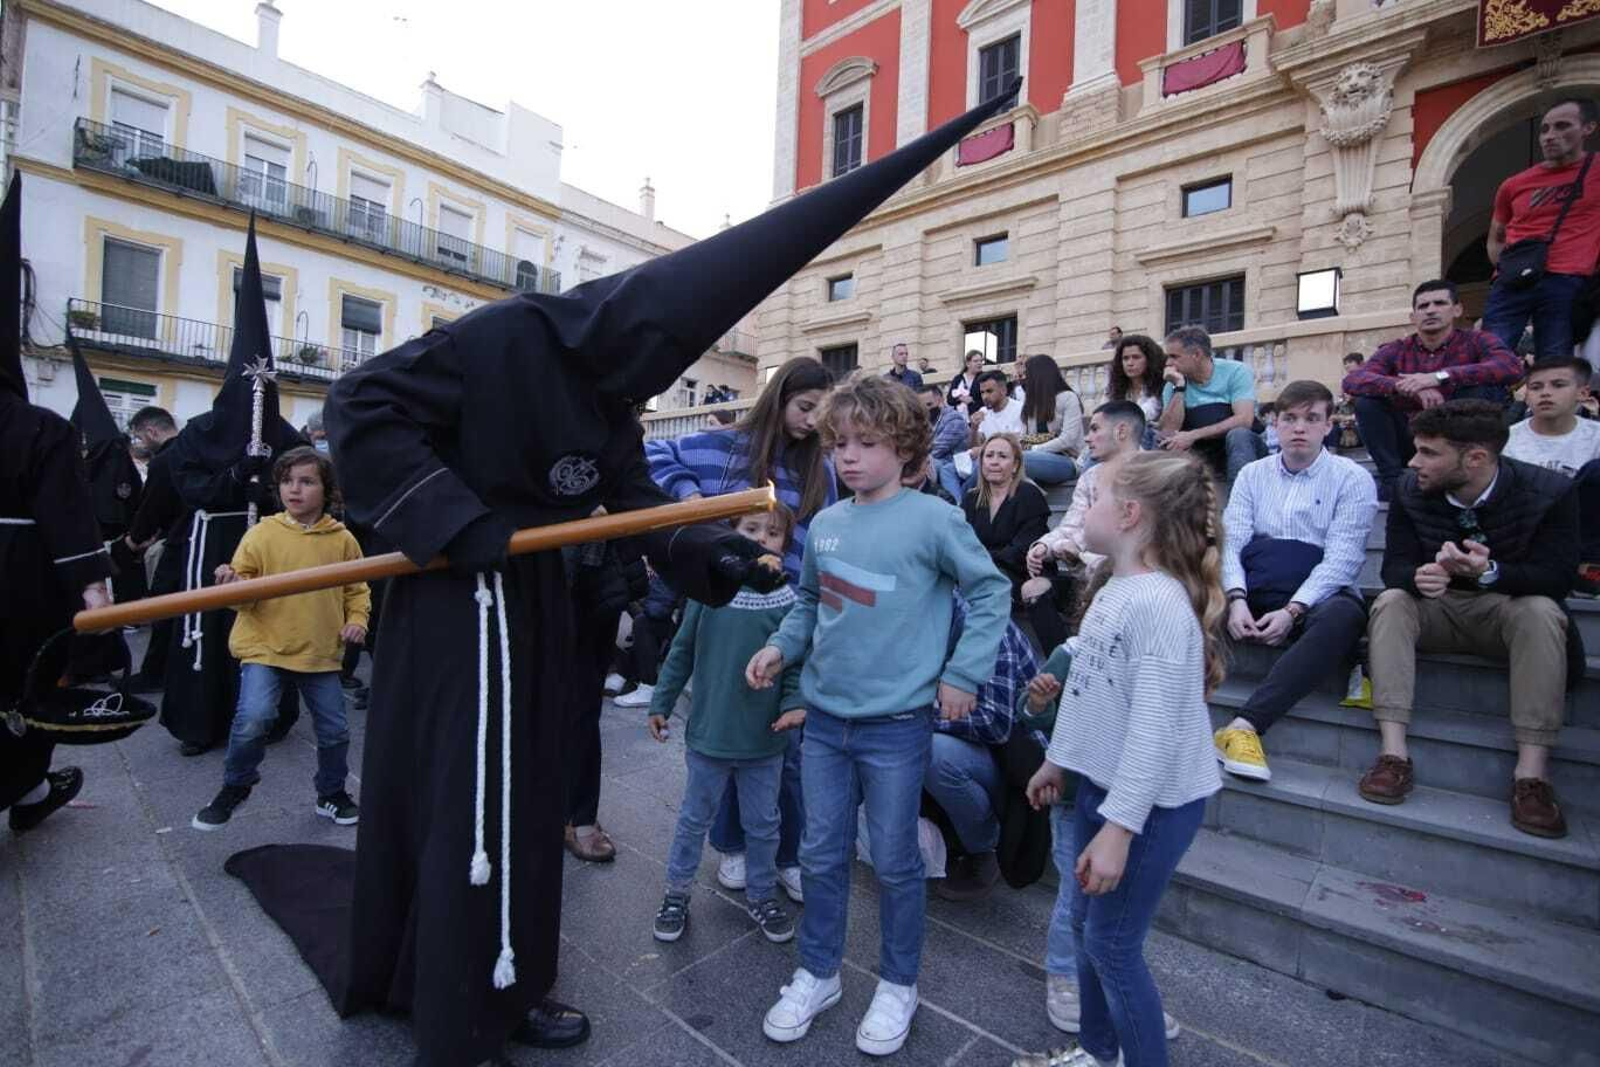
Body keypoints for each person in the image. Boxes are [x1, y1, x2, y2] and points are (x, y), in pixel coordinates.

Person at [224, 83, 1025, 1067]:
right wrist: (457, 518)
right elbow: (361, 401)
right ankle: (452, 1000)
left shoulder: (608, 398)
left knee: (529, 797)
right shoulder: (505, 337)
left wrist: (713, 559)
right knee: (472, 796)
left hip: (541, 607)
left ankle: (510, 979)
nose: (648, 378)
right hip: (456, 610)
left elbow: (637, 505)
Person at [749, 375, 1011, 1057]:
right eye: (840, 443)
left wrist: (962, 673)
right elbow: (809, 602)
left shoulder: (935, 518)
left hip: (896, 725)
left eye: (866, 443)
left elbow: (990, 593)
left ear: (906, 446)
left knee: (895, 860)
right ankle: (818, 971)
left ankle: (899, 982)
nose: (849, 456)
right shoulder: (828, 522)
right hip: (824, 722)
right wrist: (781, 648)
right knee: (821, 852)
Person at [1019, 451, 1225, 1067]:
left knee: (1111, 946)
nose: (1086, 507)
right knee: (1087, 930)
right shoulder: (1116, 588)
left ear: (1130, 514)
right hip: (1107, 793)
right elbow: (1088, 694)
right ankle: (1097, 1051)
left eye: (1097, 497)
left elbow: (1154, 732)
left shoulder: (1158, 606)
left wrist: (1118, 830)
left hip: (1149, 806)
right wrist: (1059, 760)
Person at [646, 356, 837, 897]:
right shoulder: (726, 446)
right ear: (778, 399)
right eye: (805, 407)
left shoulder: (820, 467)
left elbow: (823, 541)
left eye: (822, 411)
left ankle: (787, 854)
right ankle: (730, 846)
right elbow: (651, 453)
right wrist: (690, 497)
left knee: (789, 748)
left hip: (790, 617)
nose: (812, 420)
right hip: (721, 612)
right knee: (724, 741)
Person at [1359, 400, 1581, 839]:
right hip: (1437, 610)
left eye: (1427, 452)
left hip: (1507, 610)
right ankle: (1393, 754)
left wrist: (1490, 572)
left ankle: (1531, 776)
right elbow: (1394, 569)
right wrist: (1420, 576)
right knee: (1390, 602)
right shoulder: (1408, 488)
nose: (1412, 461)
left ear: (1475, 457)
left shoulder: (1550, 491)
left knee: (1541, 611)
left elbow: (1556, 579)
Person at [158, 222, 304, 756]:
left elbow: (305, 483)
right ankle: (201, 721)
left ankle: (267, 716)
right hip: (213, 544)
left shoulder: (283, 434)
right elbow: (191, 488)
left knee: (269, 625)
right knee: (210, 629)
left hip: (268, 544)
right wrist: (233, 477)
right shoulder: (199, 431)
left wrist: (274, 484)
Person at [0, 172, 112, 834]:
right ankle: (25, 787)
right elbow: (69, 523)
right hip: (15, 580)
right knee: (20, 687)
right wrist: (95, 595)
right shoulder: (37, 427)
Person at [649, 505, 806, 943]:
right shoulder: (708, 592)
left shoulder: (789, 601)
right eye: (751, 529)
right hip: (709, 735)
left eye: (772, 533)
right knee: (692, 820)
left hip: (765, 739)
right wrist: (660, 701)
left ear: (784, 545)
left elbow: (794, 663)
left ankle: (761, 895)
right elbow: (681, 651)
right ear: (730, 535)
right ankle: (676, 893)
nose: (761, 539)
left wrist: (793, 703)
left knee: (764, 824)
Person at [192, 446, 370, 830]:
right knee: (253, 718)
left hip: (320, 651)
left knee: (335, 730)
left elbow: (357, 590)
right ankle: (235, 786)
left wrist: (357, 621)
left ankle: (332, 794)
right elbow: (241, 594)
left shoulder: (343, 541)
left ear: (328, 491)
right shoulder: (262, 534)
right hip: (264, 646)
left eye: (307, 482)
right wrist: (233, 585)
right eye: (288, 481)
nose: (295, 489)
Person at [1213, 380, 1378, 782]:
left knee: (1344, 616)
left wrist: (1293, 610)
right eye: (1290, 418)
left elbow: (1343, 557)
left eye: (1311, 418)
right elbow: (1232, 540)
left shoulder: (1351, 478)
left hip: (1312, 592)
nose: (1299, 428)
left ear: (1328, 425)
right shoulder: (1252, 474)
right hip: (1254, 583)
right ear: (1274, 424)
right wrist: (1235, 597)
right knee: (1180, 592)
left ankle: (1245, 725)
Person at [1341, 279, 1524, 501]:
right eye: (1423, 306)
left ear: (1457, 309)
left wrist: (1440, 378)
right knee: (1367, 402)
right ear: (1413, 316)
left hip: (1459, 436)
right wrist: (1405, 387)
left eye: (1439, 303)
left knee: (1476, 388)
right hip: (1410, 438)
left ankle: (1464, 473)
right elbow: (1354, 380)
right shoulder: (1397, 349)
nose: (1431, 311)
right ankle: (1393, 482)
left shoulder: (1476, 340)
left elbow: (1510, 367)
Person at [926, 595, 1039, 902]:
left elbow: (995, 722)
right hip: (967, 742)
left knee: (931, 752)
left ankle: (982, 849)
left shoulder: (989, 628)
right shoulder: (921, 622)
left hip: (1017, 762)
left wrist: (920, 718)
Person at [1483, 99, 1600, 362]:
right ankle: (1484, 404)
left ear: (1588, 128)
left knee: (1554, 357)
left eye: (1562, 126)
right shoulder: (1514, 185)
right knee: (1492, 355)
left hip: (1567, 279)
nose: (1550, 136)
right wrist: (1505, 269)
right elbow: (1496, 238)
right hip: (1513, 280)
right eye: (1545, 129)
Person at [1504, 356, 1600, 593]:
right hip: (1524, 531)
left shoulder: (1597, 437)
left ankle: (1588, 569)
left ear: (1583, 392)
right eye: (1536, 387)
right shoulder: (1505, 440)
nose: (1545, 393)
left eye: (1558, 385)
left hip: (1581, 531)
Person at [963, 433, 1063, 654]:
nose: (994, 461)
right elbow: (964, 543)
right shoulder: (971, 498)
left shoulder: (1029, 494)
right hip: (985, 571)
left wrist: (981, 559)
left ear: (1016, 465)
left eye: (1002, 456)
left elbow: (1020, 549)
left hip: (1026, 571)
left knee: (989, 585)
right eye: (989, 455)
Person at [1027, 401, 1147, 582]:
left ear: (1121, 431)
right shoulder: (1090, 476)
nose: (1087, 438)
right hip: (1098, 582)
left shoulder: (1155, 475)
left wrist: (1081, 556)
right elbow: (1073, 524)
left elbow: (1143, 550)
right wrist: (1044, 546)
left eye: (1095, 429)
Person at [1157, 325, 1265, 483]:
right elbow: (1168, 431)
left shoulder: (1236, 371)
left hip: (1240, 449)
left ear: (1196, 354)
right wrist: (1179, 388)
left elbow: (1244, 420)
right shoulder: (1173, 384)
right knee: (1166, 447)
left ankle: (1240, 501)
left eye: (1174, 356)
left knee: (1239, 435)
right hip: (1201, 453)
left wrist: (1194, 435)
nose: (1168, 363)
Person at [123, 405, 181, 690]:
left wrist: (134, 540)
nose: (142, 444)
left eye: (141, 437)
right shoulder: (194, 448)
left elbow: (152, 508)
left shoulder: (164, 460)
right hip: (200, 539)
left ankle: (154, 673)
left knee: (163, 607)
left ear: (152, 431)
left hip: (177, 542)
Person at [1018, 354, 1084, 487]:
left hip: (1068, 459)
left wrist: (1036, 449)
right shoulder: (1030, 403)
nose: (1024, 378)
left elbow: (1068, 439)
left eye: (1027, 374)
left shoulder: (1068, 398)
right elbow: (1024, 438)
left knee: (1021, 460)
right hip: (1035, 458)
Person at [1107, 334, 1165, 444]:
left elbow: (1143, 416)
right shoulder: (1116, 389)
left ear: (1149, 359)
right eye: (1125, 358)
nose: (1130, 363)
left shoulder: (1160, 386)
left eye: (1136, 357)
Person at [921, 382, 970, 500]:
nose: (926, 409)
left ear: (940, 400)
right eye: (922, 406)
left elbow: (937, 449)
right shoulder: (926, 421)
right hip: (937, 462)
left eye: (929, 404)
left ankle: (954, 503)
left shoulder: (954, 419)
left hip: (956, 463)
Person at [1326, 353, 1364, 453]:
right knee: (1331, 429)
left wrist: (1354, 401)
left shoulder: (1366, 380)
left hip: (1360, 424)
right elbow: (1332, 414)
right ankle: (1331, 455)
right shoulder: (1344, 387)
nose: (1347, 365)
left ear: (1360, 363)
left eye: (1350, 362)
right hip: (1343, 426)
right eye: (1345, 363)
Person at [948, 349, 985, 414]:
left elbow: (986, 399)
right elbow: (949, 399)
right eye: (975, 361)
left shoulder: (984, 378)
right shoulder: (958, 378)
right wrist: (960, 398)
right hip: (959, 418)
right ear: (968, 364)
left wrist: (972, 401)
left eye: (981, 361)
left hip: (977, 416)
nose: (979, 363)